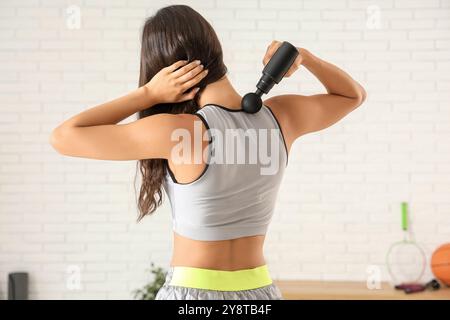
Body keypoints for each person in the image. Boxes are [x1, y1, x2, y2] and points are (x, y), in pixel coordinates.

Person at [50, 5, 366, 300]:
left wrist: (147, 93)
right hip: (259, 294)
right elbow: (352, 95)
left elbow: (64, 137)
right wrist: (304, 57)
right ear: (216, 50)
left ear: (163, 68)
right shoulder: (280, 117)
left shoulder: (178, 132)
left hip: (192, 295)